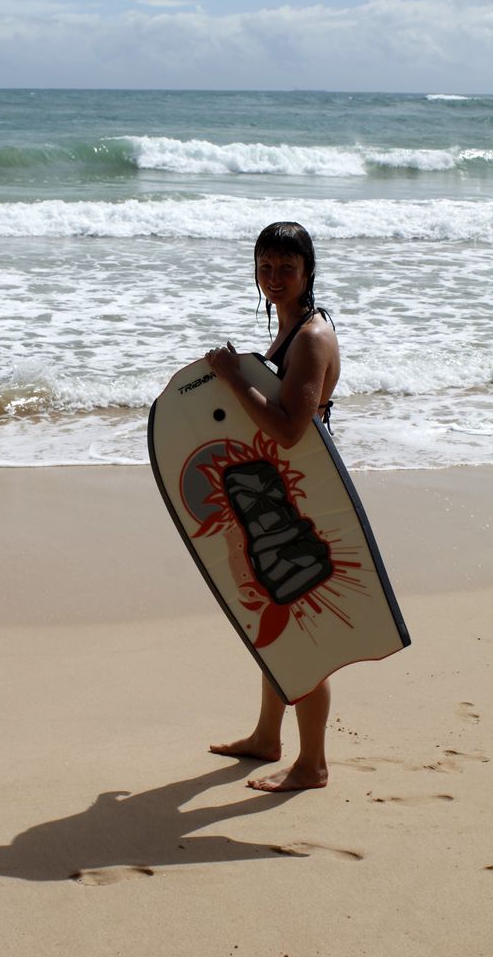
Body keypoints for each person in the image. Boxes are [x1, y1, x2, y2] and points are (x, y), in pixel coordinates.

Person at [205, 221, 340, 792]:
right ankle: (267, 736)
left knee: (301, 629)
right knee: (272, 616)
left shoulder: (310, 337)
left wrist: (236, 379)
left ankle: (312, 764)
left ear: (309, 270)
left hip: (308, 498)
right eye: (265, 266)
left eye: (287, 267)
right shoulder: (290, 326)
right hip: (279, 494)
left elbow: (289, 429)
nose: (274, 277)